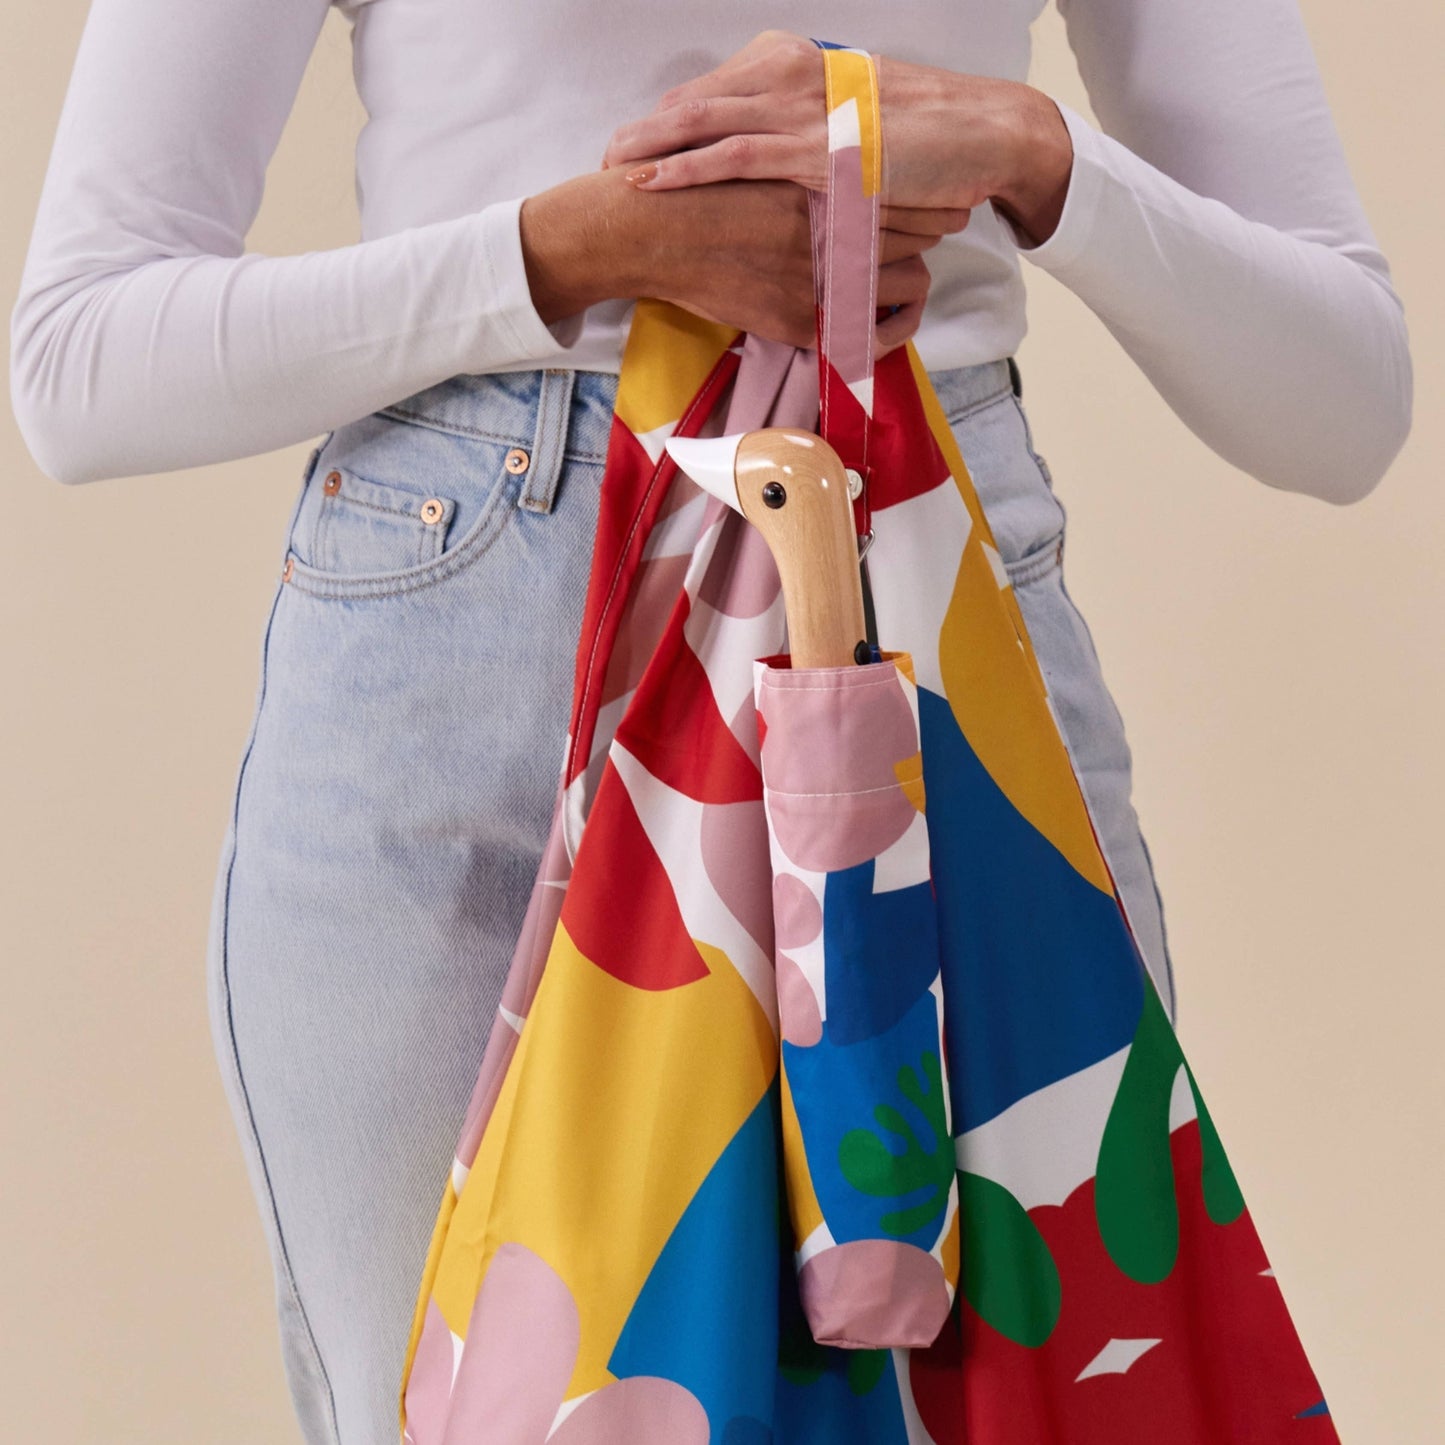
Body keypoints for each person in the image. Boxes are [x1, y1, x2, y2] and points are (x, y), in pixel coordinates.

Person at [8, 3, 1411, 1443]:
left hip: (934, 605)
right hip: (471, 634)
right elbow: (79, 367)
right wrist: (567, 249)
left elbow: (1339, 400)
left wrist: (1034, 154)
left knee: (1037, 1394)